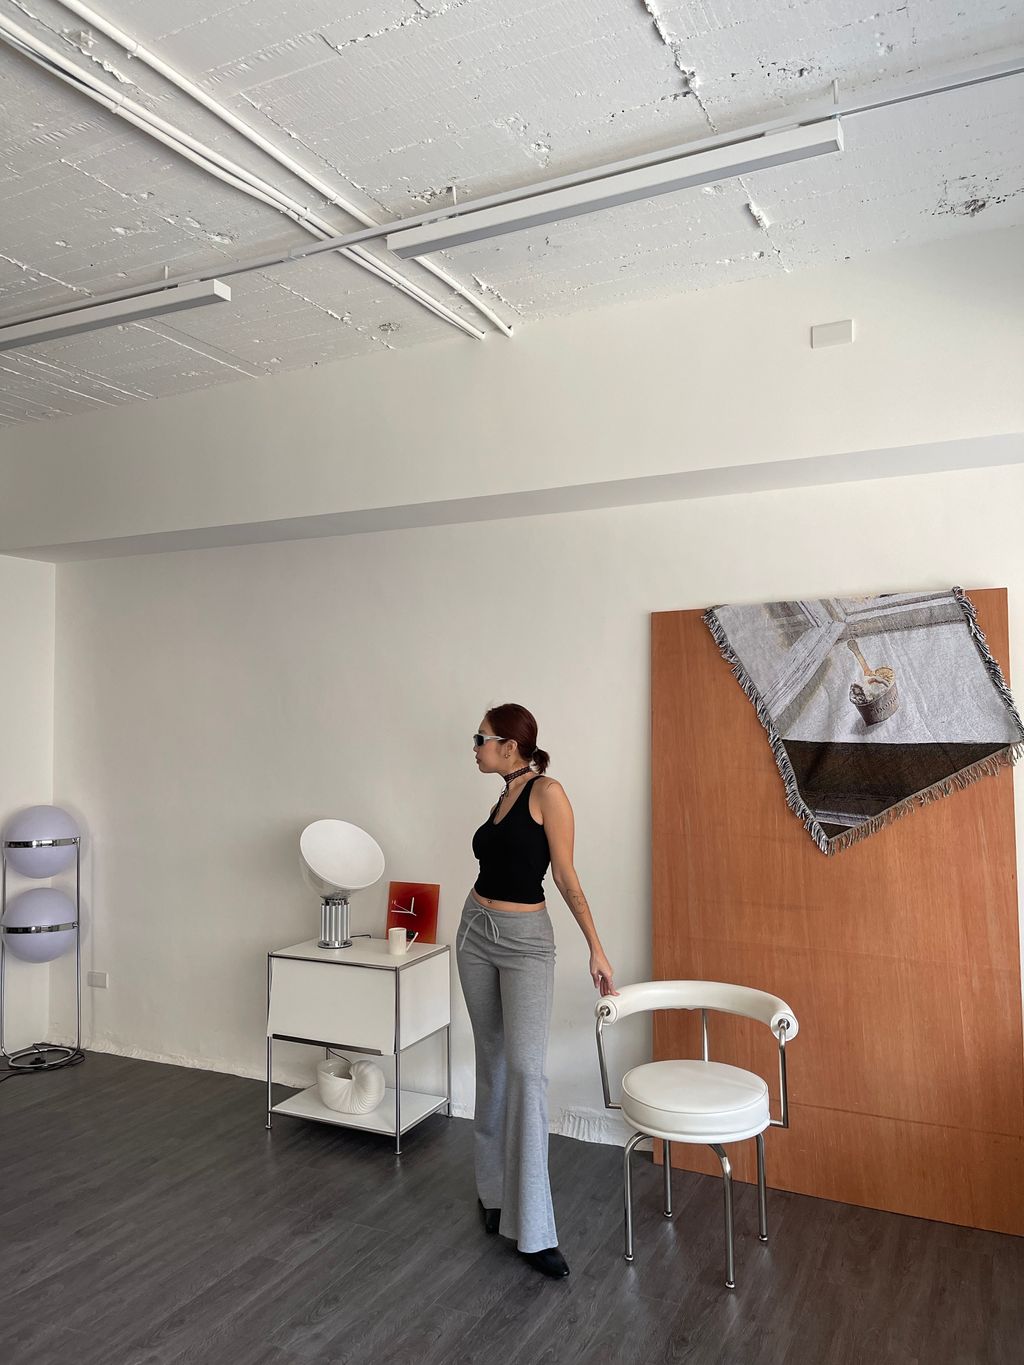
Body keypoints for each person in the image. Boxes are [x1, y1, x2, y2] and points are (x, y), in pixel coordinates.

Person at [455, 702, 618, 1280]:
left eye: (481, 738)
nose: (474, 747)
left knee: (526, 1072)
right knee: (493, 1062)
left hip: (525, 944)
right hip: (475, 932)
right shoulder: (503, 793)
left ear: (509, 745)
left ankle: (534, 1229)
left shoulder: (548, 793)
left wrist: (595, 947)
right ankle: (493, 1192)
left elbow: (566, 877)